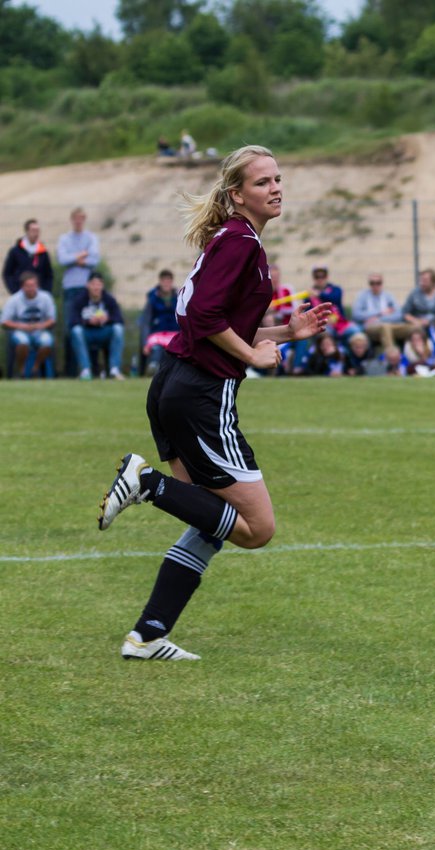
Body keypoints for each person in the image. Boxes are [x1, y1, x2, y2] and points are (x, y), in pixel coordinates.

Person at [96, 144, 333, 661]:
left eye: (277, 178)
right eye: (262, 181)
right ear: (236, 194)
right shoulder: (243, 243)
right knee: (258, 528)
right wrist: (254, 354)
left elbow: (214, 318)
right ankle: (145, 482)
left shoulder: (231, 238)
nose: (275, 188)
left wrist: (289, 333)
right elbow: (204, 316)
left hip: (174, 385)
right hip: (202, 394)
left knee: (211, 518)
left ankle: (148, 634)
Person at [69, 271, 126, 380]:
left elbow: (119, 319)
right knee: (76, 331)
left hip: (104, 332)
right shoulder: (80, 300)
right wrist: (88, 321)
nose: (96, 287)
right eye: (93, 284)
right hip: (87, 333)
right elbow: (72, 320)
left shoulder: (109, 300)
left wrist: (107, 319)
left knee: (118, 329)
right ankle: (85, 370)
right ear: (87, 285)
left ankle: (114, 369)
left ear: (102, 285)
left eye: (99, 284)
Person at [1, 270, 56, 377]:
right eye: (28, 285)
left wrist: (39, 326)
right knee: (23, 341)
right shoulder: (14, 299)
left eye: (33, 285)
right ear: (22, 286)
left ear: (37, 285)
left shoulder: (46, 297)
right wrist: (22, 326)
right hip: (20, 331)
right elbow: (4, 322)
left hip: (40, 331)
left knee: (47, 341)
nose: (31, 288)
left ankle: (35, 368)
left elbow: (52, 320)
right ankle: (22, 370)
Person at [57, 207, 101, 322]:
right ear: (71, 220)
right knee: (70, 321)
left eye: (81, 218)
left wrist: (72, 259)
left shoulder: (91, 238)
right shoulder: (64, 239)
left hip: (88, 286)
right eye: (76, 218)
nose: (78, 221)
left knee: (89, 319)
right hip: (70, 285)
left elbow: (94, 260)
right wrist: (83, 254)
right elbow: (62, 260)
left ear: (84, 219)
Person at [353, 273, 412, 353]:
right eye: (372, 283)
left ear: (382, 283)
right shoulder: (362, 296)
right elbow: (356, 314)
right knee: (385, 327)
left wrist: (378, 318)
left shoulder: (388, 296)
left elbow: (398, 314)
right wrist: (380, 312)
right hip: (370, 328)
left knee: (414, 328)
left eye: (378, 283)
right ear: (369, 284)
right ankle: (392, 357)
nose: (375, 285)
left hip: (390, 325)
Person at [142, 270, 181, 375]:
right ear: (160, 282)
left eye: (168, 280)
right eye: (164, 281)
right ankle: (153, 368)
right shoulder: (152, 300)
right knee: (156, 349)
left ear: (172, 282)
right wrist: (145, 343)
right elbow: (146, 322)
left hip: (175, 335)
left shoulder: (180, 298)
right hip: (157, 335)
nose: (166, 283)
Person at [4, 218, 53, 294]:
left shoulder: (43, 252)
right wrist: (14, 290)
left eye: (37, 231)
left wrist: (46, 291)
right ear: (27, 231)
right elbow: (8, 273)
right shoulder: (16, 251)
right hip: (20, 293)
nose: (36, 233)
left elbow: (49, 275)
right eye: (33, 230)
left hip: (39, 293)